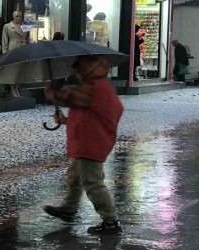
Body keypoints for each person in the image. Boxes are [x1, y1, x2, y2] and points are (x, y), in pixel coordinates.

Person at [43, 55, 124, 235]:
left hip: (91, 142)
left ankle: (110, 220)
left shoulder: (94, 86)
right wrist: (66, 120)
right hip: (89, 140)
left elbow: (67, 98)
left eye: (79, 67)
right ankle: (69, 208)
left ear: (89, 67)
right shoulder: (100, 86)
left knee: (92, 182)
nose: (77, 71)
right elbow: (89, 112)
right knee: (75, 176)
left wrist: (51, 89)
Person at [2, 10, 30, 97]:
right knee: (12, 71)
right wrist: (5, 52)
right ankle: (12, 89)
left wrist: (29, 50)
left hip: (23, 48)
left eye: (20, 16)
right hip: (12, 48)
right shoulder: (7, 26)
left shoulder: (26, 27)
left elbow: (28, 39)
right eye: (17, 16)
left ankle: (17, 89)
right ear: (13, 17)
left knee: (20, 71)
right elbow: (4, 39)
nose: (18, 18)